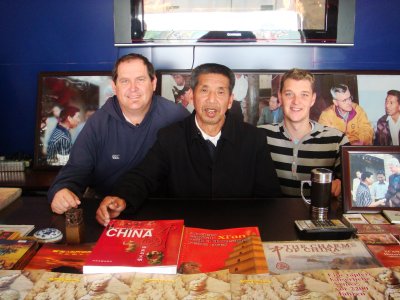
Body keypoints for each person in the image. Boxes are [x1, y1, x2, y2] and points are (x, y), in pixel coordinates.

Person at [96, 63, 281, 226]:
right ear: (192, 95)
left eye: (220, 92)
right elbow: (143, 177)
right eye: (204, 90)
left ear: (230, 100)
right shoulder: (171, 137)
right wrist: (121, 197)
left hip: (237, 232)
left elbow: (269, 197)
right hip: (185, 234)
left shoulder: (253, 138)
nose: (212, 99)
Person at [49, 53, 189, 215]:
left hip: (164, 209)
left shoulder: (177, 116)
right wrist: (61, 192)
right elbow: (75, 170)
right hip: (108, 211)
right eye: (124, 81)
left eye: (140, 79)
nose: (133, 88)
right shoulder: (98, 123)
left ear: (154, 82)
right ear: (114, 87)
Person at [259, 68, 349, 197]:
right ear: (280, 97)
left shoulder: (337, 140)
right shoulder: (260, 136)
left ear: (312, 99)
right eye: (289, 94)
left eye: (304, 95)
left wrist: (342, 185)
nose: (296, 101)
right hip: (271, 216)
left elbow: (354, 184)